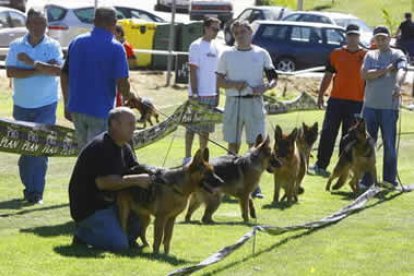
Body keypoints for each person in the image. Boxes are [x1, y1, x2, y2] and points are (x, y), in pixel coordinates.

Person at [69, 107, 152, 251]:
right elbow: (103, 183)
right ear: (114, 124)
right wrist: (136, 180)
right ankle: (83, 233)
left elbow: (136, 169)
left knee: (141, 218)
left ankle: (114, 234)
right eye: (130, 124)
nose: (134, 128)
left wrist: (159, 174)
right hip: (90, 209)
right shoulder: (101, 147)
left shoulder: (124, 146)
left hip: (111, 204)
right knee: (119, 245)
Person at [61, 7, 140, 150]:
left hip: (77, 108)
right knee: (98, 156)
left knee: (83, 154)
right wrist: (130, 96)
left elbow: (64, 74)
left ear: (93, 21)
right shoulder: (116, 48)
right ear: (115, 22)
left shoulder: (76, 42)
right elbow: (122, 83)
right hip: (101, 111)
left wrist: (67, 103)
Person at [5, 8, 63, 204]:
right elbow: (11, 72)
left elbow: (57, 70)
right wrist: (40, 68)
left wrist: (30, 63)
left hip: (46, 104)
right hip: (21, 105)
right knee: (26, 149)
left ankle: (35, 192)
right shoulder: (16, 46)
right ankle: (29, 187)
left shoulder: (53, 45)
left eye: (42, 23)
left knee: (40, 148)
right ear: (28, 25)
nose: (39, 27)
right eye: (35, 23)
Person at [216, 20, 278, 198]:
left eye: (243, 32)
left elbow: (273, 77)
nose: (240, 35)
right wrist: (233, 84)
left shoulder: (261, 53)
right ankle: (228, 184)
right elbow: (219, 80)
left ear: (250, 33)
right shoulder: (227, 53)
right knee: (233, 144)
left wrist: (265, 87)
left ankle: (254, 187)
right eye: (236, 33)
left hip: (255, 103)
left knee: (256, 145)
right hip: (234, 101)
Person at [309, 24, 367, 177]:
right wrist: (321, 95)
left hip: (356, 101)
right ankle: (321, 165)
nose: (352, 38)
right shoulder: (336, 54)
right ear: (346, 37)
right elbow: (328, 76)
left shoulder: (366, 55)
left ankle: (343, 168)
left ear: (359, 37)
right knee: (328, 132)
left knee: (348, 137)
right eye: (350, 35)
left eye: (355, 36)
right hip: (336, 100)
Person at [361, 25, 407, 188]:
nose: (380, 41)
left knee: (389, 144)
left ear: (389, 39)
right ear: (374, 40)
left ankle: (389, 180)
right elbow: (365, 75)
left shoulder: (397, 54)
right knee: (367, 145)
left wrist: (397, 85)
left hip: (389, 107)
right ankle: (366, 180)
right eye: (378, 38)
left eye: (384, 38)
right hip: (370, 107)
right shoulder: (370, 55)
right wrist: (386, 70)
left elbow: (402, 69)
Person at [183, 17, 221, 165]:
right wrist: (195, 93)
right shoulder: (196, 45)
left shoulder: (217, 47)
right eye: (214, 29)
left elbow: (218, 72)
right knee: (191, 127)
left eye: (218, 29)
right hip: (197, 94)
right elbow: (193, 70)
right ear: (205, 27)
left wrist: (217, 92)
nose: (216, 32)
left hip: (211, 94)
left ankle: (202, 158)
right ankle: (187, 157)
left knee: (205, 129)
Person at [114, 24, 137, 107]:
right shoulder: (114, 44)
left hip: (122, 75)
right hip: (116, 75)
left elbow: (133, 61)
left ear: (119, 33)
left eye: (114, 32)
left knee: (122, 95)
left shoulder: (125, 46)